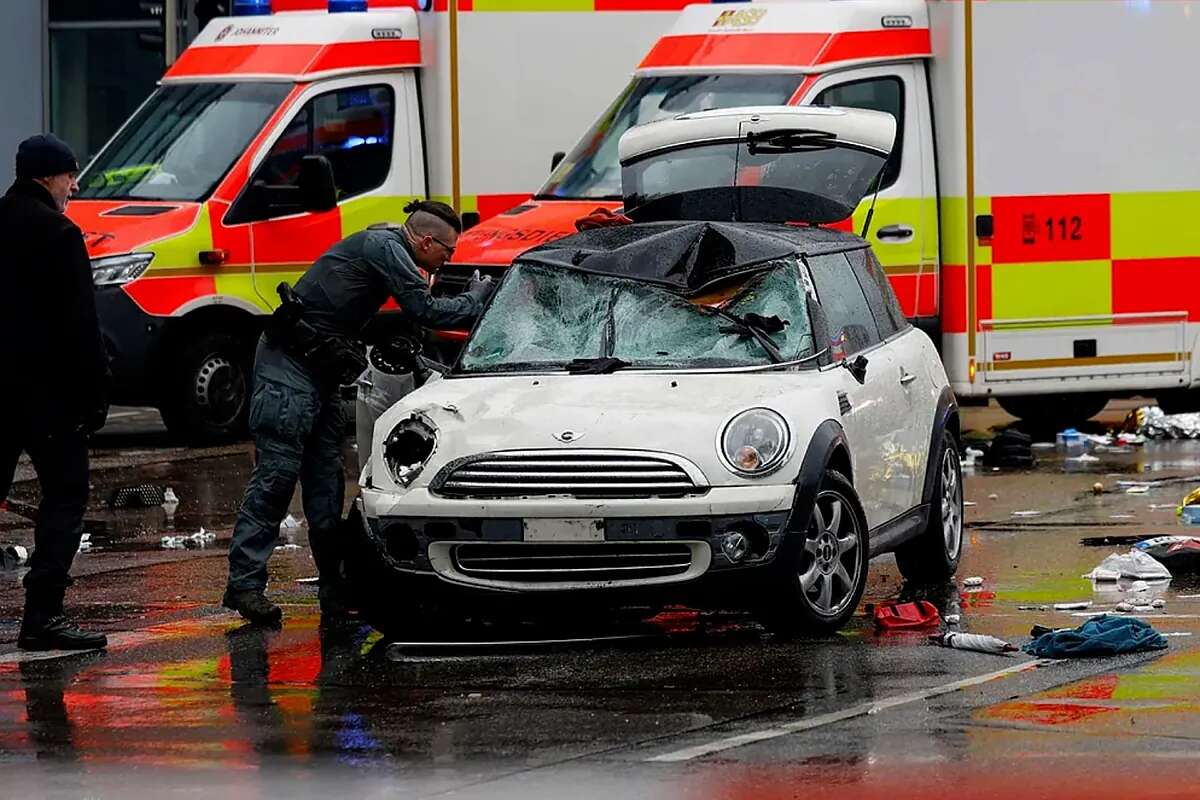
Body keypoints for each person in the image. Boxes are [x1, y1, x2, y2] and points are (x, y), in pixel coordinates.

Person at [223, 200, 493, 625]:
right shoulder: (387, 249)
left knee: (327, 487)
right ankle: (245, 586)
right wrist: (476, 299)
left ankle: (335, 592)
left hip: (316, 373)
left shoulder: (382, 251)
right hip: (288, 368)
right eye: (448, 251)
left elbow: (352, 311)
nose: (448, 259)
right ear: (425, 241)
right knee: (276, 479)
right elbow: (424, 309)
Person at [0, 134, 111, 650]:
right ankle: (41, 618)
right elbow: (79, 326)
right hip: (48, 397)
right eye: (70, 175)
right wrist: (95, 396)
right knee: (65, 497)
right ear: (48, 176)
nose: (74, 185)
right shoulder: (59, 234)